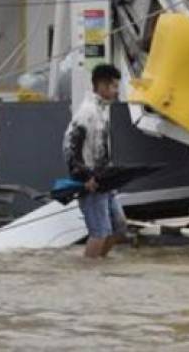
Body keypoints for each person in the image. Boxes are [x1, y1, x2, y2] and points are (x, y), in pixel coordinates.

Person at [63, 64, 127, 259]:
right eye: (114, 86)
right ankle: (88, 273)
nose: (117, 92)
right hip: (90, 183)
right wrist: (84, 177)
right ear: (102, 86)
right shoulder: (87, 112)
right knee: (99, 233)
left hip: (105, 181)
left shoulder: (102, 111)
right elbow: (69, 147)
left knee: (119, 228)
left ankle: (99, 267)